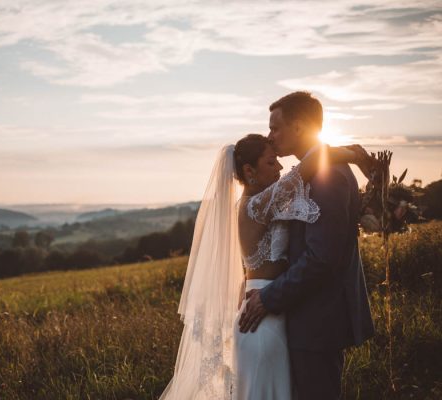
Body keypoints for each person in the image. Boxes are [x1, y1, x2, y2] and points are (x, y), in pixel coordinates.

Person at [160, 127, 374, 397]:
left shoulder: (267, 203)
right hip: (261, 318)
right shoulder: (255, 205)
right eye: (271, 162)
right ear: (249, 171)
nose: (280, 166)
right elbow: (307, 166)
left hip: (271, 305)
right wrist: (352, 153)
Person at [238, 91, 375, 400]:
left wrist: (269, 297)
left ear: (298, 128)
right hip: (298, 319)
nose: (271, 137)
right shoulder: (305, 175)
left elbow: (321, 258)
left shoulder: (328, 175)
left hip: (317, 322)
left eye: (275, 128)